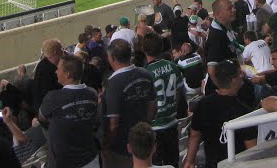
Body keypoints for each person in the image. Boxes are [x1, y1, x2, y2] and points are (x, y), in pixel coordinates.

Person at [183, 62, 255, 168]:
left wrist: (189, 161)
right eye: (239, 74)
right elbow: (252, 148)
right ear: (234, 80)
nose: (242, 76)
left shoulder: (203, 104)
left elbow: (195, 135)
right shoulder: (243, 111)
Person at [102, 38, 157, 168]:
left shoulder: (112, 83)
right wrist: (144, 128)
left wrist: (106, 146)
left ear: (112, 58)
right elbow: (153, 107)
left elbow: (113, 124)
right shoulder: (146, 74)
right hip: (143, 145)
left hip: (121, 149)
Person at [39, 55, 100, 168]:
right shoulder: (92, 93)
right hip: (90, 160)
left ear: (68, 74)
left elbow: (42, 118)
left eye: (59, 69)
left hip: (64, 162)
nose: (56, 71)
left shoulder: (53, 97)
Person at [143, 32, 183, 168]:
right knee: (173, 163)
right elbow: (178, 94)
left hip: (155, 127)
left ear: (144, 49)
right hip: (171, 122)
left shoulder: (145, 73)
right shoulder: (172, 66)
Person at [203, 0, 240, 93]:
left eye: (233, 7)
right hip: (223, 92)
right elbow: (211, 71)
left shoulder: (225, 27)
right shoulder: (216, 36)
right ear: (218, 14)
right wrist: (225, 90)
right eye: (229, 8)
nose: (234, 10)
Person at [32, 39, 64, 113]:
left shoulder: (48, 64)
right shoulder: (44, 69)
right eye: (61, 48)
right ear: (56, 52)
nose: (63, 51)